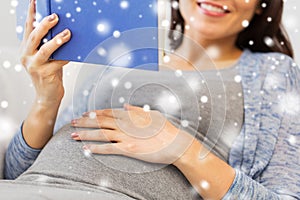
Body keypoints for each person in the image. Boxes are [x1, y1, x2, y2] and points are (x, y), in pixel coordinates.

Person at [2, 0, 300, 199]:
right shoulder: (127, 49)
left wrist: (181, 148)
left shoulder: (271, 71)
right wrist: (46, 100)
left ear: (262, 6)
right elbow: (13, 172)